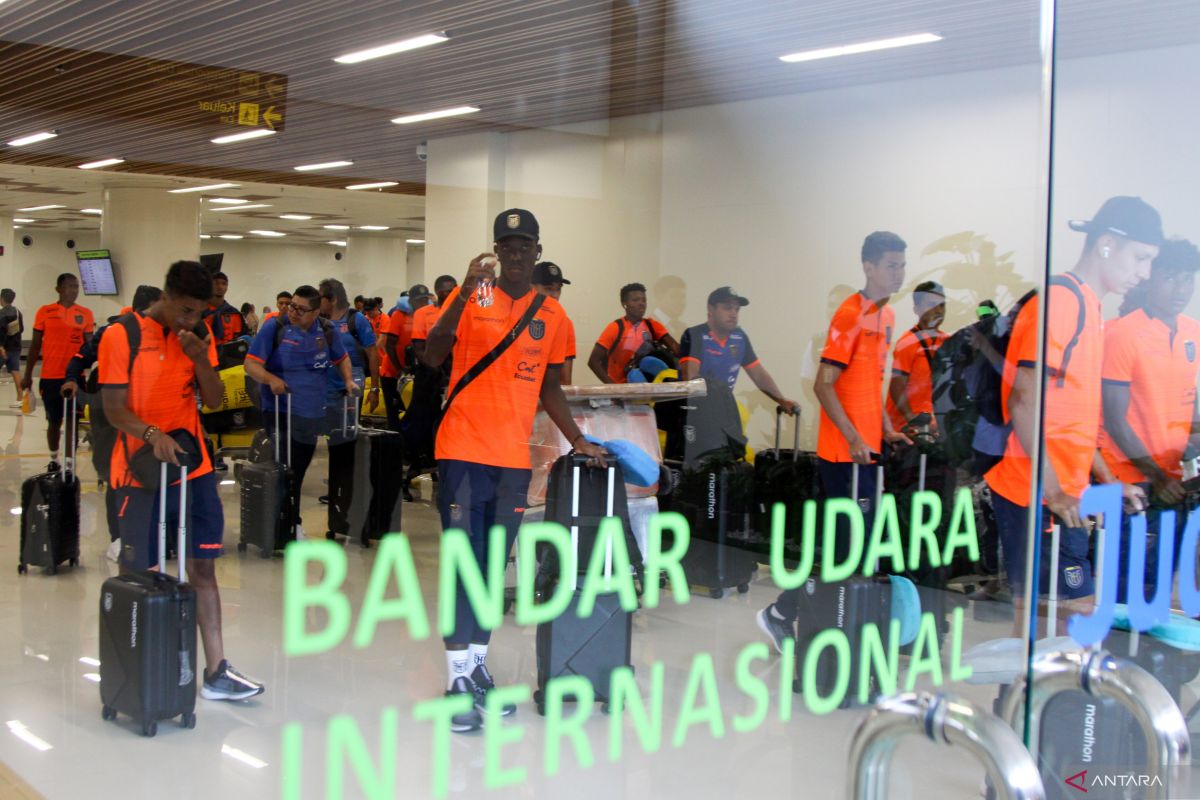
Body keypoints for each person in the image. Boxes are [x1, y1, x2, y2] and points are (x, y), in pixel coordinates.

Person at [424, 208, 605, 733]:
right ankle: (456, 678)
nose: (517, 254)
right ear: (497, 252)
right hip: (461, 449)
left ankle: (476, 669)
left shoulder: (553, 314)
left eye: (526, 245)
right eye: (508, 246)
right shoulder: (476, 296)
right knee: (464, 565)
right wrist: (462, 291)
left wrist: (578, 440)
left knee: (488, 567)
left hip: (511, 459)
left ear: (538, 251)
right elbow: (433, 355)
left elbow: (550, 386)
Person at [986, 197, 1159, 624]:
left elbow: (1071, 421)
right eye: (1140, 258)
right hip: (1036, 495)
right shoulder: (1062, 302)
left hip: (1061, 496)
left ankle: (1027, 691)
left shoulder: (1089, 306)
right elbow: (1024, 402)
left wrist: (1106, 479)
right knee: (1053, 624)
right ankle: (1020, 692)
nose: (1145, 273)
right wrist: (1054, 491)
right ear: (1105, 245)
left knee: (1060, 626)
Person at [100, 260, 264, 701]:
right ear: (166, 297)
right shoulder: (122, 335)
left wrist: (199, 359)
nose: (192, 319)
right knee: (140, 572)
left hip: (193, 469)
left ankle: (217, 671)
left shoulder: (199, 337)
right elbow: (114, 408)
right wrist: (152, 436)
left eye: (200, 312)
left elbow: (211, 401)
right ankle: (135, 673)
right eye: (186, 310)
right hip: (139, 472)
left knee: (204, 567)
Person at [757, 232, 911, 651]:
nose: (900, 272)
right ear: (869, 267)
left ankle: (831, 623)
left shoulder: (888, 316)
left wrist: (884, 428)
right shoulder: (850, 315)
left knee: (859, 548)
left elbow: (872, 386)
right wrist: (855, 437)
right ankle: (782, 614)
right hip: (844, 454)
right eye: (892, 265)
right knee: (846, 548)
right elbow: (826, 386)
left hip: (867, 449)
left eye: (902, 264)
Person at [1100, 237, 1200, 602]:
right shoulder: (1121, 333)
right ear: (1149, 278)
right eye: (1171, 278)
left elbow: (1190, 400)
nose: (1181, 289)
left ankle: (1148, 655)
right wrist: (1156, 476)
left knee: (1161, 581)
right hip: (1131, 483)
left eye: (1188, 279)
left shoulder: (1192, 331)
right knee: (1127, 587)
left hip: (1173, 481)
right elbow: (1114, 419)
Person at [244, 286, 357, 539]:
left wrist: (348, 380)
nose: (292, 312)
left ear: (316, 311)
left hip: (311, 412)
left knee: (298, 470)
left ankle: (289, 521)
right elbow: (251, 364)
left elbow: (342, 359)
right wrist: (271, 379)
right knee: (282, 468)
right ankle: (284, 525)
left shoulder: (326, 331)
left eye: (300, 309)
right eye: (291, 306)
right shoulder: (275, 328)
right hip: (279, 411)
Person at [65, 284, 162, 562]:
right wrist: (72, 379)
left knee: (145, 474)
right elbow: (80, 358)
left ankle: (145, 534)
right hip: (110, 415)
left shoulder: (159, 334)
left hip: (144, 415)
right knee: (115, 474)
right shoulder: (113, 332)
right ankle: (118, 538)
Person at [318, 278, 380, 517]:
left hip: (350, 386)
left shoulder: (356, 320)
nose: (318, 301)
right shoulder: (320, 322)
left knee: (348, 438)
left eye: (321, 297)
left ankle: (350, 489)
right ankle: (337, 487)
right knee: (333, 440)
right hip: (326, 386)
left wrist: (374, 388)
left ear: (332, 299)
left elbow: (372, 354)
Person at [679, 287, 797, 408]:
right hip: (693, 410)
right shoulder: (694, 335)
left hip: (723, 409)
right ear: (710, 309)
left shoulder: (740, 337)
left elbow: (758, 374)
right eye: (727, 308)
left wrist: (782, 400)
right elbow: (691, 378)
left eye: (737, 309)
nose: (733, 314)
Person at [22, 273, 95, 471]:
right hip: (50, 376)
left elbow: (91, 346)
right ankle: (54, 458)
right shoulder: (45, 312)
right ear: (59, 289)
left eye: (76, 286)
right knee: (54, 421)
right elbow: (35, 346)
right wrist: (27, 375)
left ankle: (69, 464)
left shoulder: (85, 313)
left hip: (75, 378)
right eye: (69, 286)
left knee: (73, 420)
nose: (74, 290)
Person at [405, 276, 459, 490]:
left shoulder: (461, 313)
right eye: (443, 291)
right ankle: (415, 465)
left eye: (451, 290)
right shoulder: (423, 314)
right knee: (422, 424)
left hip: (453, 377)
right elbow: (419, 347)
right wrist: (435, 369)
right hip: (429, 377)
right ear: (436, 293)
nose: (447, 294)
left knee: (446, 427)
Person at [886, 281, 948, 430]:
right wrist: (913, 421)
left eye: (942, 305)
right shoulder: (907, 342)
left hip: (931, 429)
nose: (938, 310)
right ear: (917, 309)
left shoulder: (947, 342)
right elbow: (897, 387)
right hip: (906, 431)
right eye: (932, 305)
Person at [589, 282, 679, 384]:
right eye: (635, 300)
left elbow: (675, 348)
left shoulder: (652, 325)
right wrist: (613, 388)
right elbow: (593, 361)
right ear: (624, 304)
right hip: (623, 391)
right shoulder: (616, 327)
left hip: (650, 390)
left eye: (644, 300)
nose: (641, 303)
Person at [380, 284, 430, 433]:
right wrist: (399, 369)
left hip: (415, 374)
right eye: (418, 299)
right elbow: (390, 345)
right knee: (394, 414)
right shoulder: (399, 315)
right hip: (393, 372)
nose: (421, 302)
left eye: (424, 299)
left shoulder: (427, 316)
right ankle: (394, 448)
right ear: (411, 300)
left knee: (415, 414)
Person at [532, 262, 577, 383]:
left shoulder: (565, 323)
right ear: (531, 287)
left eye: (558, 289)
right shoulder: (513, 315)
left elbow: (565, 381)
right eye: (548, 289)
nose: (555, 295)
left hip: (545, 396)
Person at [204, 271, 246, 345]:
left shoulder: (234, 313)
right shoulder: (200, 311)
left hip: (228, 354)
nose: (220, 287)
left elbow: (240, 338)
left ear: (227, 287)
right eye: (216, 283)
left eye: (224, 284)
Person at [0, 288, 23, 408]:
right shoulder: (18, 312)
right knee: (15, 370)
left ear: (2, 299)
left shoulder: (2, 314)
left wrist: (1, 347)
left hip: (3, 347)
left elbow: (1, 332)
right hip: (16, 346)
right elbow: (21, 329)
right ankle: (20, 398)